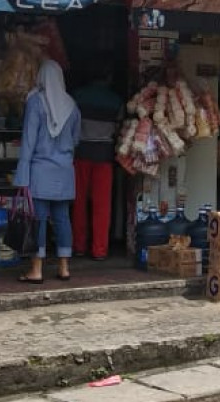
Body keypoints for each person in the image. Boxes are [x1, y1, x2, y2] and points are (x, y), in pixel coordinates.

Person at [13, 60, 81, 284]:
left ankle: (36, 269)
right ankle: (64, 267)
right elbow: (76, 139)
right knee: (62, 219)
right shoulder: (71, 105)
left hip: (40, 171)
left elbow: (28, 140)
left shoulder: (35, 102)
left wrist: (22, 175)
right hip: (64, 172)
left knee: (39, 220)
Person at [71, 67, 123, 260]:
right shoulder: (116, 100)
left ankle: (78, 246)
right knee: (102, 205)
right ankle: (99, 250)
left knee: (79, 203)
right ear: (108, 76)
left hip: (81, 153)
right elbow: (118, 129)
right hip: (104, 156)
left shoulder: (78, 96)